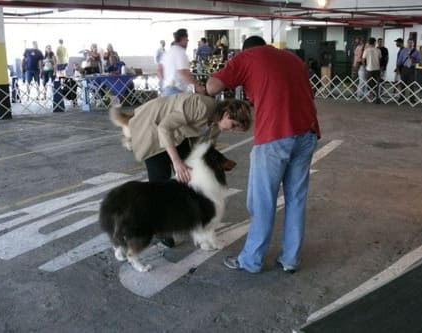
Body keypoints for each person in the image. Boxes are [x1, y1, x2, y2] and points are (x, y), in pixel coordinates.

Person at [206, 36, 321, 273]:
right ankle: (290, 259)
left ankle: (251, 260)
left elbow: (213, 86)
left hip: (275, 135)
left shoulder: (247, 56)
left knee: (262, 201)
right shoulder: (292, 58)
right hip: (307, 132)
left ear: (248, 49)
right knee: (296, 199)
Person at [124, 92, 253, 247]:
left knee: (189, 175)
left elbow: (203, 149)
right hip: (151, 127)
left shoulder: (218, 125)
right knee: (160, 181)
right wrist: (177, 162)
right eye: (233, 125)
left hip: (178, 133)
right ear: (226, 114)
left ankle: (195, 221)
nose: (231, 131)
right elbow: (164, 128)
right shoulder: (201, 106)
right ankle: (159, 228)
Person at [158, 29, 206, 96]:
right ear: (183, 39)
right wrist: (197, 86)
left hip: (166, 90)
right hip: (176, 92)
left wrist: (164, 82)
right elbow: (184, 73)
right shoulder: (180, 52)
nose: (187, 41)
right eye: (187, 39)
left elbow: (159, 69)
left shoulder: (168, 52)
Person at [362, 37, 382, 103]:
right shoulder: (378, 50)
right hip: (377, 69)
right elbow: (380, 59)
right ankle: (377, 97)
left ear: (369, 42)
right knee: (377, 83)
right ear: (374, 42)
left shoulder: (366, 50)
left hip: (369, 69)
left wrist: (365, 67)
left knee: (369, 83)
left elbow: (363, 60)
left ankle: (371, 96)